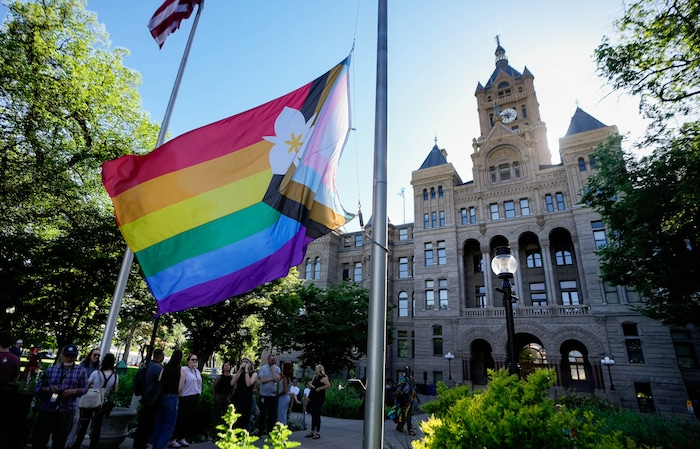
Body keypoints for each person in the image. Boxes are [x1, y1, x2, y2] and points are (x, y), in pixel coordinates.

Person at [31, 344, 88, 449]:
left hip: (66, 410)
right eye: (67, 356)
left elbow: (85, 389)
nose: (69, 358)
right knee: (40, 439)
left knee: (60, 441)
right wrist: (49, 389)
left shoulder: (81, 371)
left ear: (76, 357)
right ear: (62, 356)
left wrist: (74, 391)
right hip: (48, 409)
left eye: (72, 356)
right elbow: (38, 388)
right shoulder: (52, 369)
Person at [70, 353, 119, 449]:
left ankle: (77, 444)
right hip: (102, 402)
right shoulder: (115, 376)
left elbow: (87, 385)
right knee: (97, 426)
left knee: (84, 425)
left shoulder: (96, 373)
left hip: (91, 400)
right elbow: (115, 390)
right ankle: (93, 446)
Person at [132, 348, 165, 449]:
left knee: (143, 423)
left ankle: (138, 444)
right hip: (152, 399)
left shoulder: (148, 366)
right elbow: (163, 381)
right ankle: (142, 444)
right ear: (160, 357)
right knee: (147, 424)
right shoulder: (157, 368)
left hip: (146, 397)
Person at [68, 347, 101, 445]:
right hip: (81, 393)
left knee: (85, 420)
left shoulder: (97, 368)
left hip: (90, 396)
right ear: (90, 355)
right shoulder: (83, 366)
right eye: (95, 355)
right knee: (76, 418)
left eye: (98, 355)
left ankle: (75, 440)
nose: (96, 357)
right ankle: (70, 440)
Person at [152, 350, 184, 449]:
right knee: (168, 426)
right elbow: (180, 387)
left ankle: (155, 444)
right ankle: (160, 446)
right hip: (172, 397)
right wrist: (179, 394)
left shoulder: (165, 368)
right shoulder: (181, 369)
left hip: (161, 397)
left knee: (158, 423)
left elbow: (159, 381)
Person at [169, 354, 202, 447]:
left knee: (188, 419)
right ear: (188, 361)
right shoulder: (184, 370)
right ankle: (172, 439)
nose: (195, 361)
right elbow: (181, 383)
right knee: (180, 418)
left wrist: (199, 393)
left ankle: (182, 437)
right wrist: (180, 394)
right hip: (185, 397)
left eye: (196, 360)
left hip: (194, 396)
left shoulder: (197, 371)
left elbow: (199, 384)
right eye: (192, 359)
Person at [230, 357, 258, 430]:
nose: (245, 364)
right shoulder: (240, 373)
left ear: (250, 364)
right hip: (237, 397)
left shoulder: (254, 374)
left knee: (244, 419)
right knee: (236, 419)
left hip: (246, 398)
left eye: (246, 362)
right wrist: (239, 370)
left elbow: (248, 384)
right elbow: (232, 383)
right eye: (243, 362)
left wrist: (246, 371)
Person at [257, 353, 280, 435]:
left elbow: (277, 380)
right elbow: (262, 380)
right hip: (263, 395)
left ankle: (270, 431)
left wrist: (273, 371)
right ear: (268, 360)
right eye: (271, 360)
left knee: (271, 415)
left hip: (272, 395)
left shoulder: (277, 369)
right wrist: (272, 378)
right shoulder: (263, 368)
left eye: (274, 360)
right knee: (262, 414)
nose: (273, 361)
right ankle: (260, 430)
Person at [305, 364, 330, 440]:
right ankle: (312, 431)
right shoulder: (314, 377)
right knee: (313, 414)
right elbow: (312, 387)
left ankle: (317, 432)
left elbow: (328, 385)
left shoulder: (323, 378)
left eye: (316, 369)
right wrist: (309, 384)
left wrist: (320, 388)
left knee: (317, 413)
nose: (315, 370)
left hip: (320, 398)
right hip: (313, 397)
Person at [394, 365, 418, 436]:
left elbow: (413, 387)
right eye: (406, 371)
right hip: (403, 398)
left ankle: (405, 427)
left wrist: (414, 394)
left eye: (409, 371)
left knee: (408, 413)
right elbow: (398, 389)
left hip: (410, 398)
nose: (408, 372)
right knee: (403, 413)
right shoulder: (402, 378)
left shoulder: (411, 378)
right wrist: (400, 394)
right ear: (404, 371)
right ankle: (403, 426)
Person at [211, 361, 233, 432]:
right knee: (217, 414)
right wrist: (215, 396)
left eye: (228, 366)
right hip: (219, 396)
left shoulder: (232, 378)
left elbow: (234, 388)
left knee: (226, 415)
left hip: (227, 398)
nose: (226, 367)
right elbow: (214, 386)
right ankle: (216, 432)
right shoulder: (219, 377)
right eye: (225, 366)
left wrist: (230, 397)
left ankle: (225, 431)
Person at [276, 361, 293, 425]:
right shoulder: (289, 377)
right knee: (284, 413)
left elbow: (285, 390)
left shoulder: (285, 378)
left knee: (281, 414)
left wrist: (278, 394)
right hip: (287, 396)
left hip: (283, 397)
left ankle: (282, 427)